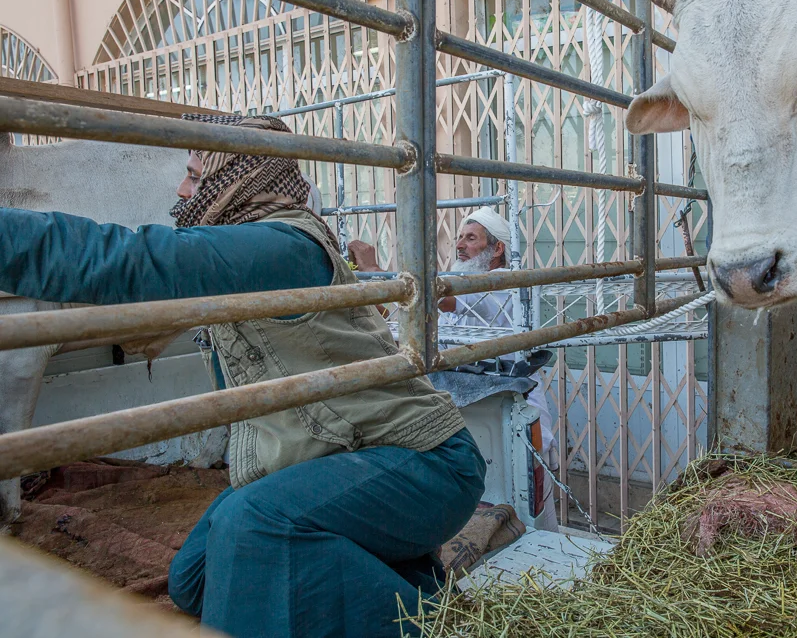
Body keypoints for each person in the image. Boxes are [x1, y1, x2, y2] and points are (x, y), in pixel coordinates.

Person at [0, 115, 485, 638]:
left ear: (237, 180)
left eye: (193, 174)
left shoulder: (282, 246)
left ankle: (433, 627)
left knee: (249, 527)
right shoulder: (251, 248)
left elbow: (133, 262)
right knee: (194, 579)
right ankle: (409, 586)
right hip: (338, 456)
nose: (182, 189)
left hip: (422, 463)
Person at [349, 207, 560, 530]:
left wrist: (374, 269)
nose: (460, 244)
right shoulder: (457, 283)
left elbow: (436, 298)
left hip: (513, 406)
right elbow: (416, 319)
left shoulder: (503, 283)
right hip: (469, 405)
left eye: (471, 238)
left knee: (527, 510)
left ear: (497, 248)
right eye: (460, 237)